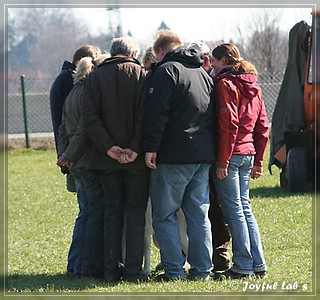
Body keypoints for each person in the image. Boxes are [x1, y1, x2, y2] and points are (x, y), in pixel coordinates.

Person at [143, 31, 216, 281]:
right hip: (202, 156)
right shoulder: (203, 74)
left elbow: (156, 115)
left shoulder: (166, 71)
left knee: (164, 215)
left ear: (160, 52)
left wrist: (150, 147)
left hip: (173, 156)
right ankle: (202, 270)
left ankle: (174, 271)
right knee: (199, 215)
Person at [81, 36, 150, 283]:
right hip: (136, 161)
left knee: (112, 213)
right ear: (133, 52)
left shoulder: (95, 77)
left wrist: (109, 147)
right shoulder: (142, 75)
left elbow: (89, 117)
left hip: (104, 159)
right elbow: (145, 116)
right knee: (135, 215)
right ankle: (133, 271)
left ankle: (111, 270)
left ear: (111, 53)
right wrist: (133, 148)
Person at [210, 43, 269, 280]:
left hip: (231, 154)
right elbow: (263, 125)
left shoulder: (226, 84)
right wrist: (259, 160)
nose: (211, 65)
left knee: (234, 211)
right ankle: (258, 264)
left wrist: (222, 161)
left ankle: (243, 265)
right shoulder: (253, 84)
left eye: (214, 61)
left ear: (224, 60)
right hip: (248, 153)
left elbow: (229, 125)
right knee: (245, 209)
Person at [57, 54, 110, 278]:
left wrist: (65, 154)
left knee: (85, 213)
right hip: (86, 160)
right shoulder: (88, 94)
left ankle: (76, 263)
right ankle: (88, 265)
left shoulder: (71, 94)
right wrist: (70, 154)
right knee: (95, 212)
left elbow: (62, 129)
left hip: (75, 162)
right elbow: (85, 130)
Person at [188, 40, 232, 273]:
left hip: (215, 154)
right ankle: (213, 255)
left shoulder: (217, 83)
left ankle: (220, 254)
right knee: (211, 207)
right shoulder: (209, 80)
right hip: (210, 152)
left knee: (216, 207)